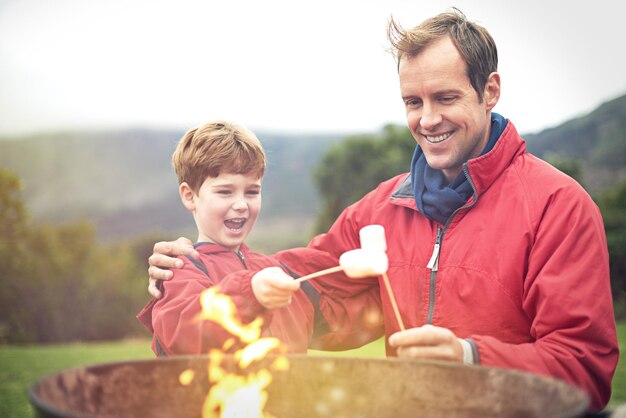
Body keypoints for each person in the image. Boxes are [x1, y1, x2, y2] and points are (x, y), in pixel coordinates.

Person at [145, 9, 618, 411]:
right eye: (413, 102)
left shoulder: (558, 206)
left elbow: (586, 370)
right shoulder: (383, 207)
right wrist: (196, 270)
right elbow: (306, 287)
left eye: (446, 97)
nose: (427, 119)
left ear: (490, 91)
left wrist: (469, 357)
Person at [137, 120, 384, 356]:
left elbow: (341, 321)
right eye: (225, 192)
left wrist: (405, 291)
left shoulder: (278, 271)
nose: (241, 204)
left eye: (252, 191)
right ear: (190, 196)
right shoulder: (180, 269)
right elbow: (186, 335)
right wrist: (249, 294)